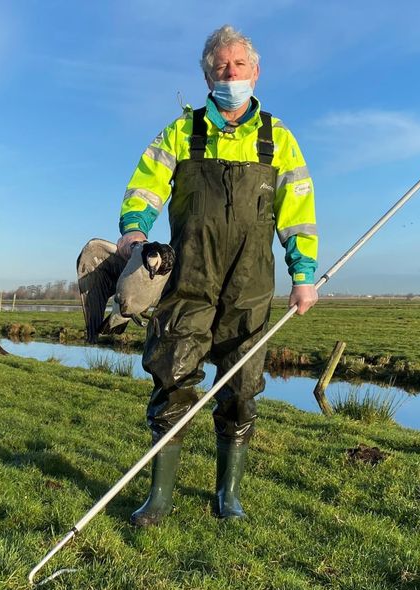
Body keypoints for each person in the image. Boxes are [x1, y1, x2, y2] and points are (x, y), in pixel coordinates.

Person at [116, 25, 318, 526]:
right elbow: (145, 187)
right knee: (173, 378)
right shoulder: (182, 132)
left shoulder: (279, 139)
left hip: (251, 286)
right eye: (221, 66)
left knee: (243, 385)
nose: (231, 73)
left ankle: (228, 497)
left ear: (256, 71)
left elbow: (298, 213)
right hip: (187, 280)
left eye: (239, 65)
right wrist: (134, 232)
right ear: (208, 74)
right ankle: (158, 499)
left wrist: (304, 274)